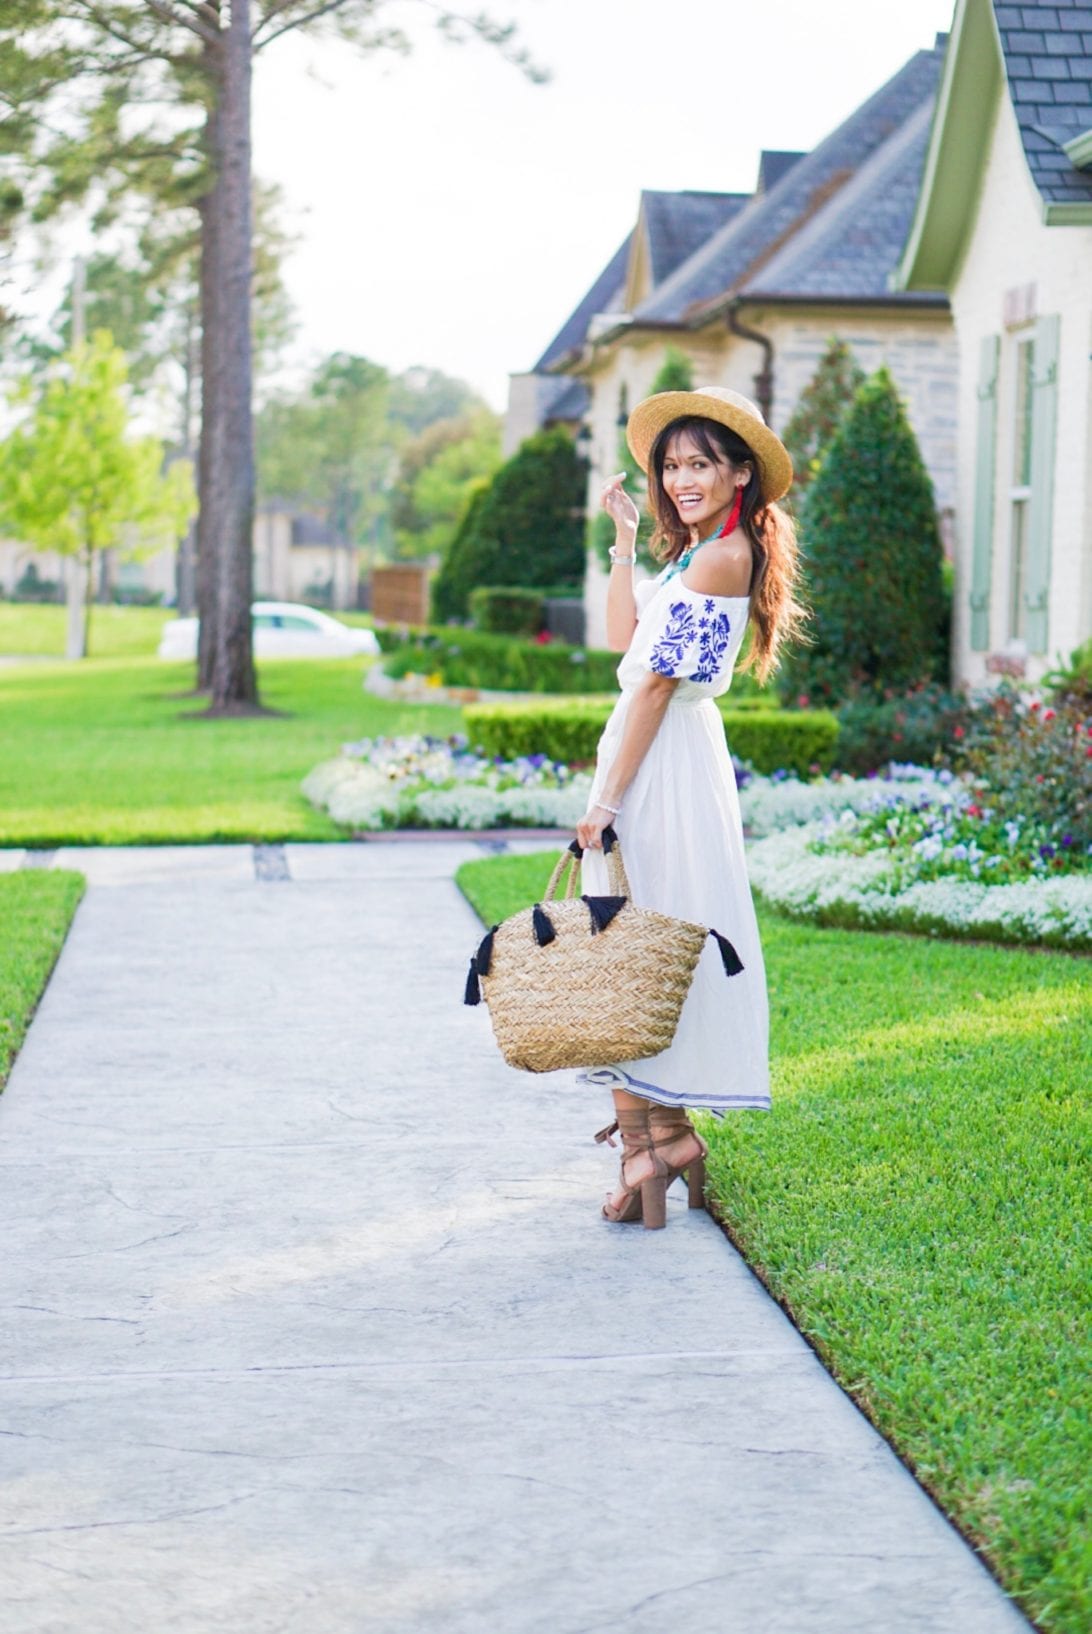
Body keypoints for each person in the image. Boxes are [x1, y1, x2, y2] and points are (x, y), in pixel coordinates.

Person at [575, 385, 805, 1230]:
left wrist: (604, 802)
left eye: (699, 463)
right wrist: (625, 545)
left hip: (661, 768)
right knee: (636, 951)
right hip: (656, 755)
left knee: (638, 952)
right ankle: (661, 1142)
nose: (680, 479)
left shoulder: (721, 557)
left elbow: (659, 685)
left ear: (739, 471)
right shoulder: (694, 554)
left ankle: (652, 1150)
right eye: (672, 465)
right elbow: (619, 647)